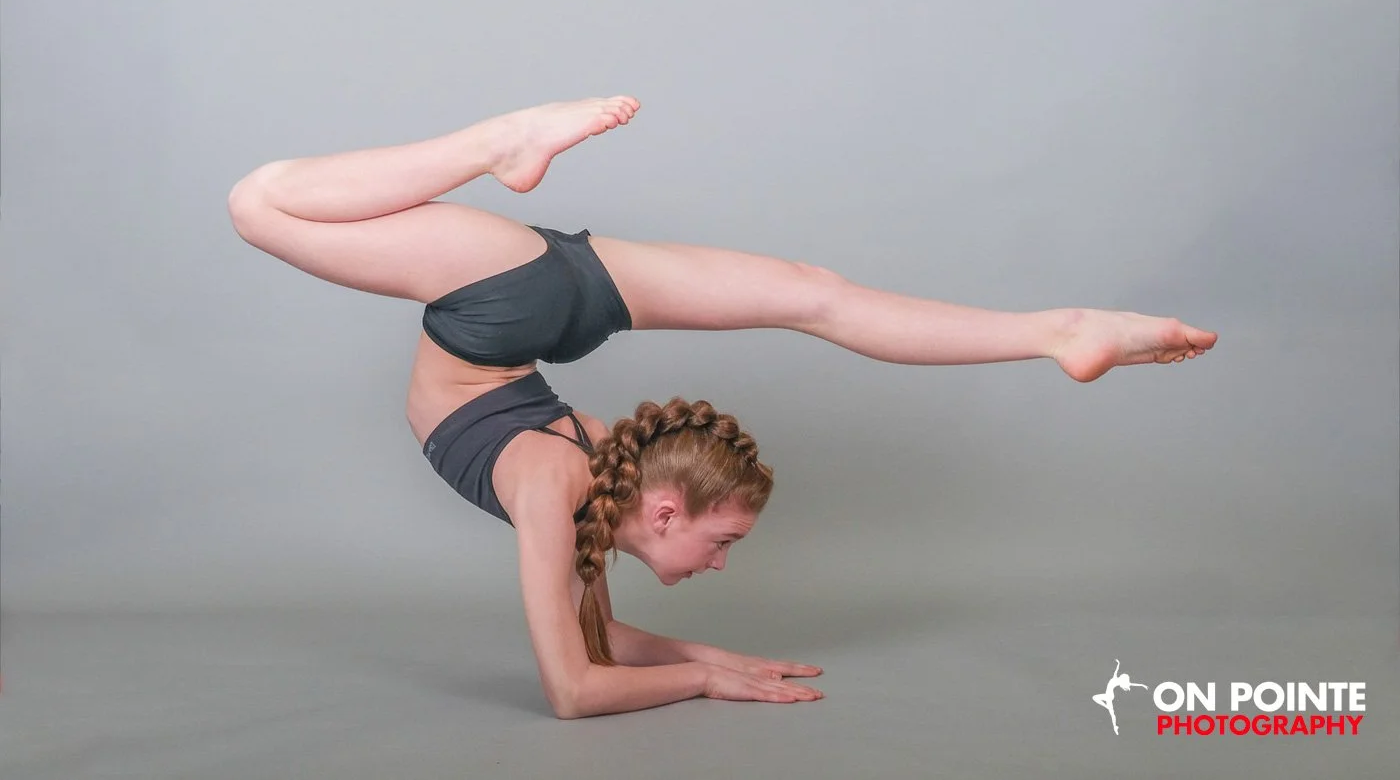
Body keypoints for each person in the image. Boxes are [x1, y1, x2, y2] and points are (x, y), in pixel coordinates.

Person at [226, 95, 1216, 718]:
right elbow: (575, 686)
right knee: (257, 201)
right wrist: (701, 673)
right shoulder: (558, 483)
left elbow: (588, 658)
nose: (720, 561)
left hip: (541, 292)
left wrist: (709, 661)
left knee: (809, 290)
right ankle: (499, 137)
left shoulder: (570, 489)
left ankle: (1060, 330)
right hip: (505, 308)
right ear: (659, 507)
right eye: (721, 541)